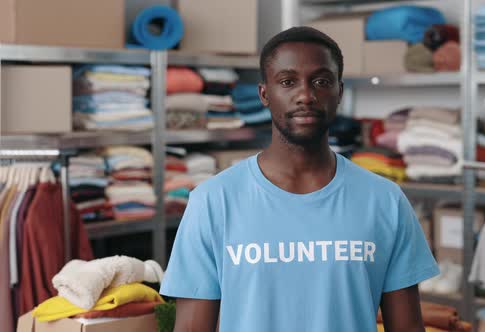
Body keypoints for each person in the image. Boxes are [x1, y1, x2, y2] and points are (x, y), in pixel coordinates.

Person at [160, 26, 439, 332]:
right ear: (265, 94)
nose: (305, 95)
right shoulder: (212, 201)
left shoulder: (385, 200)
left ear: (339, 92)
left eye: (321, 81)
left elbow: (408, 328)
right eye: (288, 81)